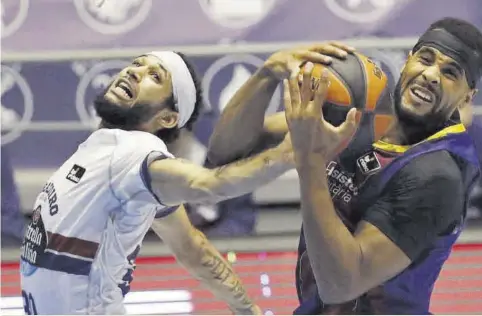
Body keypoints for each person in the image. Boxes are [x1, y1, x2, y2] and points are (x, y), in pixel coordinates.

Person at [207, 17, 482, 314]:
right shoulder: (359, 111)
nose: (431, 74)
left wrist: (309, 160)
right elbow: (225, 151)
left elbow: (341, 285)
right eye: (426, 58)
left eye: (450, 73)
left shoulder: (437, 176)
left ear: (467, 96)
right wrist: (268, 74)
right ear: (408, 60)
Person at [19, 51, 296, 315]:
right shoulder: (106, 156)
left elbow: (209, 184)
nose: (134, 72)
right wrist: (248, 309)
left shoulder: (135, 154)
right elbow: (193, 250)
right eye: (137, 64)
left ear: (167, 118)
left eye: (155, 76)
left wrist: (286, 155)